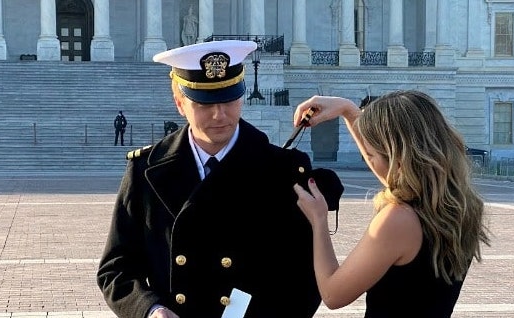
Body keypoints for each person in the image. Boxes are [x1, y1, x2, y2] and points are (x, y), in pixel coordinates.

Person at [97, 40, 335, 318]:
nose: (219, 115)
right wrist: (151, 309)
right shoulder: (146, 171)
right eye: (204, 103)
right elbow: (117, 267)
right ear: (180, 104)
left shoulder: (282, 170)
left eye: (229, 99)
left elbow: (302, 276)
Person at [291, 90, 491, 317]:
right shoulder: (461, 204)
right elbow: (387, 167)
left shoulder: (398, 220)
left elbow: (333, 294)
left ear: (398, 159)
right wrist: (347, 110)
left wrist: (319, 220)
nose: (369, 160)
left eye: (371, 155)